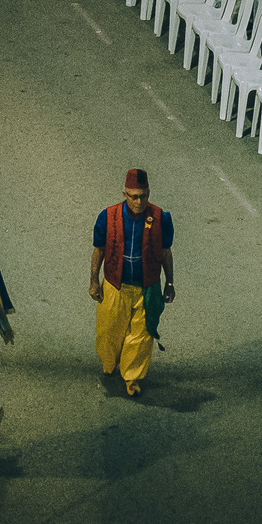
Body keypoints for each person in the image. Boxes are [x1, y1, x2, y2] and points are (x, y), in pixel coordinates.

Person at [90, 168, 174, 399]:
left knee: (142, 335)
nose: (139, 202)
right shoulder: (108, 216)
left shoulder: (161, 218)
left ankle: (132, 377)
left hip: (147, 287)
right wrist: (94, 281)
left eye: (144, 196)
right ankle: (110, 362)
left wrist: (169, 283)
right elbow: (99, 250)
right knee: (108, 331)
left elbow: (166, 253)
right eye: (134, 197)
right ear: (124, 194)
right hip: (115, 285)